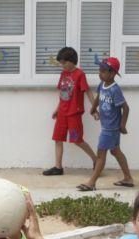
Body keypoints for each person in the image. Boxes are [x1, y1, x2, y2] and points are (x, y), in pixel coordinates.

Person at [77, 57, 133, 191]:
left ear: (112, 73)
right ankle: (128, 178)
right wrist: (93, 109)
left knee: (101, 154)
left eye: (103, 70)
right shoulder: (102, 85)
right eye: (99, 70)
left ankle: (91, 182)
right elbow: (98, 97)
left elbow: (125, 108)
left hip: (111, 128)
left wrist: (123, 125)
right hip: (106, 126)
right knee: (115, 151)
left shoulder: (115, 89)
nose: (100, 73)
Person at [42, 47, 97, 177]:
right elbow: (62, 94)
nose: (62, 65)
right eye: (61, 63)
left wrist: (94, 108)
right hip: (62, 113)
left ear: (72, 61)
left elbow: (87, 91)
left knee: (77, 140)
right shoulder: (63, 74)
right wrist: (57, 109)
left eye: (64, 63)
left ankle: (96, 159)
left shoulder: (80, 74)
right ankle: (58, 167)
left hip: (74, 114)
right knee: (58, 139)